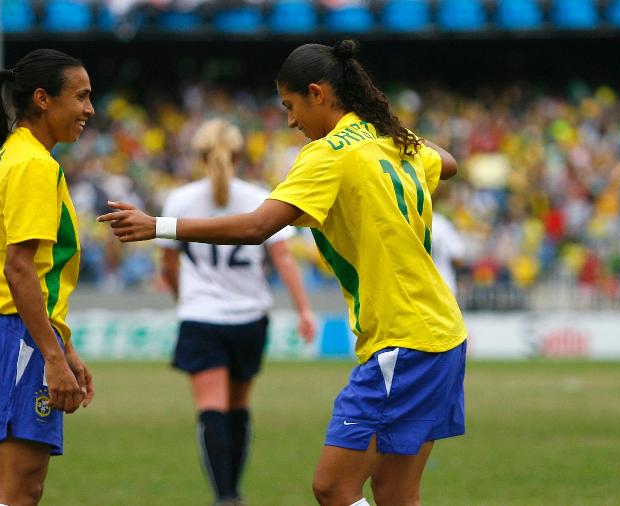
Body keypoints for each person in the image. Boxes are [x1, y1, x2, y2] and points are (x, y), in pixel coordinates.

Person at [100, 40, 467, 506]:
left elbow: (257, 226)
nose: (291, 121)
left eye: (291, 106)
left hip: (405, 339)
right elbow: (449, 164)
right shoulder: (390, 142)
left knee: (333, 487)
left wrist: (159, 226)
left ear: (317, 94)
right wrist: (383, 124)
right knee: (395, 493)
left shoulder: (328, 154)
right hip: (442, 333)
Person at [0, 48, 95, 506]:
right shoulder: (34, 165)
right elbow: (19, 269)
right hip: (20, 335)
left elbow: (31, 269)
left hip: (16, 331)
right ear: (43, 99)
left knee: (22, 488)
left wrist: (64, 347)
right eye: (81, 97)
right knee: (18, 489)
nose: (89, 110)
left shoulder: (12, 155)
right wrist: (52, 356)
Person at [156, 118, 316, 506]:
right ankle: (235, 493)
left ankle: (224, 496)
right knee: (239, 408)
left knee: (211, 409)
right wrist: (304, 310)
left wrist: (185, 299)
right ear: (241, 155)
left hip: (202, 316)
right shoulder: (261, 196)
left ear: (199, 156)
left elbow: (168, 266)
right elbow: (283, 260)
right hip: (250, 316)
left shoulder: (180, 200)